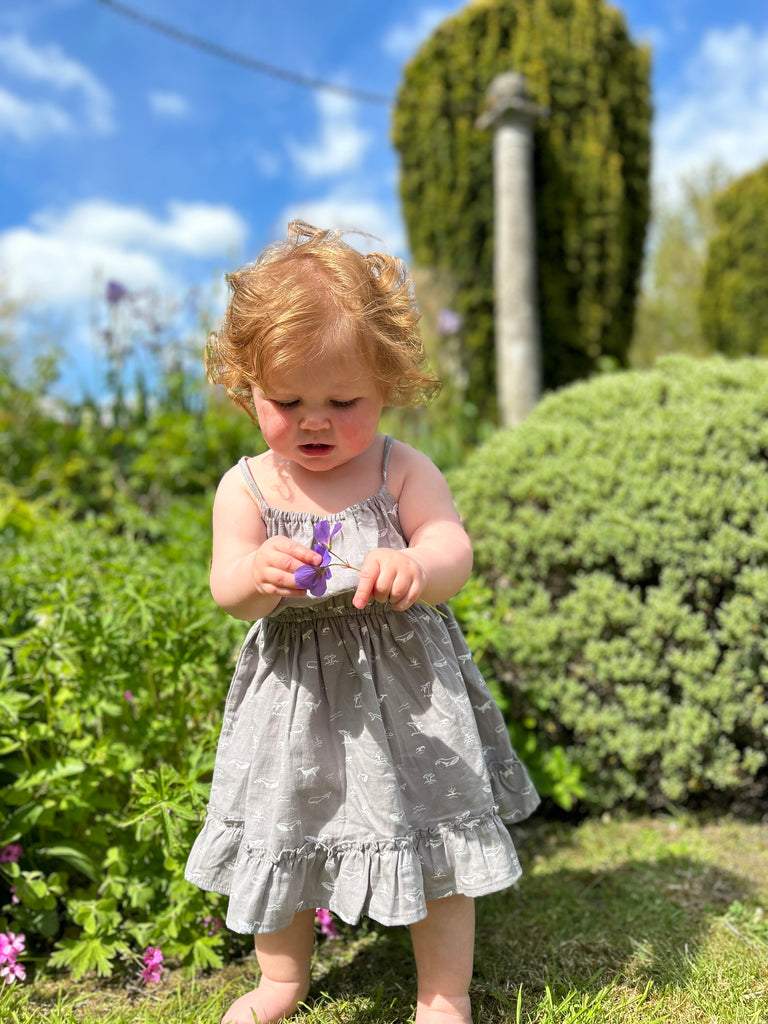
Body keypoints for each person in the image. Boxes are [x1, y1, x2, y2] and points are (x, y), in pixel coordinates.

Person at [185, 221, 539, 1024]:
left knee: (435, 827)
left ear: (389, 385)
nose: (316, 422)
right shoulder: (244, 489)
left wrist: (418, 565)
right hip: (295, 700)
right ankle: (280, 979)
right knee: (283, 829)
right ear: (247, 389)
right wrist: (255, 575)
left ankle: (443, 993)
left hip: (407, 693)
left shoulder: (400, 468)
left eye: (343, 401)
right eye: (288, 401)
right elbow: (226, 589)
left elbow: (453, 545)